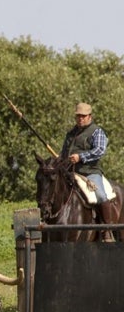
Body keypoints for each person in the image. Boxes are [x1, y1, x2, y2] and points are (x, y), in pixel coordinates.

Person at [60, 102, 118, 241]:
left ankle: (107, 230)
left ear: (89, 116)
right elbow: (64, 153)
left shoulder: (96, 131)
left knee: (101, 196)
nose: (80, 118)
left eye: (83, 116)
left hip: (89, 172)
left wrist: (80, 157)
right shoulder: (70, 134)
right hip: (70, 172)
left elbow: (99, 150)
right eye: (78, 116)